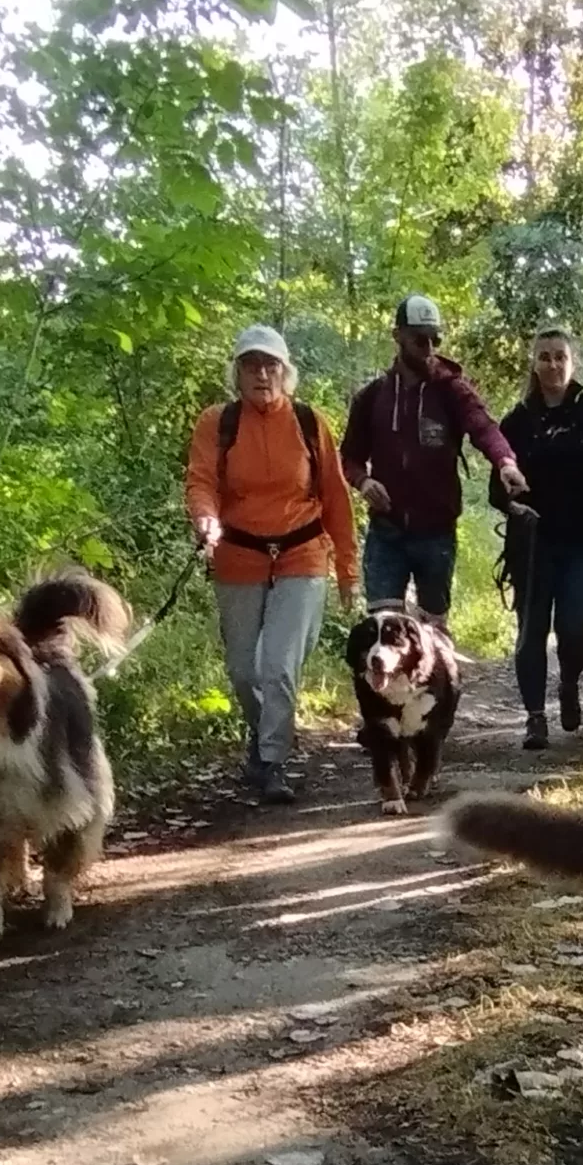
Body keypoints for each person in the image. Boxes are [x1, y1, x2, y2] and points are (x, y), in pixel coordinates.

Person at [184, 324, 359, 805]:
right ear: (236, 374)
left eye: (270, 365)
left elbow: (337, 499)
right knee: (244, 672)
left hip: (303, 555)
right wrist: (206, 519)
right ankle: (264, 736)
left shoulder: (308, 421)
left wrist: (347, 569)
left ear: (286, 373)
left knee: (277, 666)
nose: (261, 374)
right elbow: (201, 480)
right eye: (251, 365)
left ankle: (273, 761)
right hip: (238, 555)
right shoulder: (217, 423)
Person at [339, 293, 527, 624]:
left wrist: (505, 463)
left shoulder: (452, 391)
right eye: (419, 340)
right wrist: (363, 481)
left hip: (436, 533)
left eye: (434, 339)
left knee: (433, 630)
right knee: (385, 629)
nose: (428, 348)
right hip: (387, 533)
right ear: (397, 336)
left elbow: (483, 427)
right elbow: (349, 458)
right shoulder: (372, 398)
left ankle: (437, 676)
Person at [490, 328, 583, 749]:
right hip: (533, 546)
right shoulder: (516, 421)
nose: (553, 365)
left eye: (560, 357)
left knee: (573, 629)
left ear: (572, 363)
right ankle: (535, 717)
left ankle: (569, 681)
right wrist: (514, 507)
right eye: (544, 357)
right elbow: (496, 489)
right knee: (530, 631)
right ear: (533, 364)